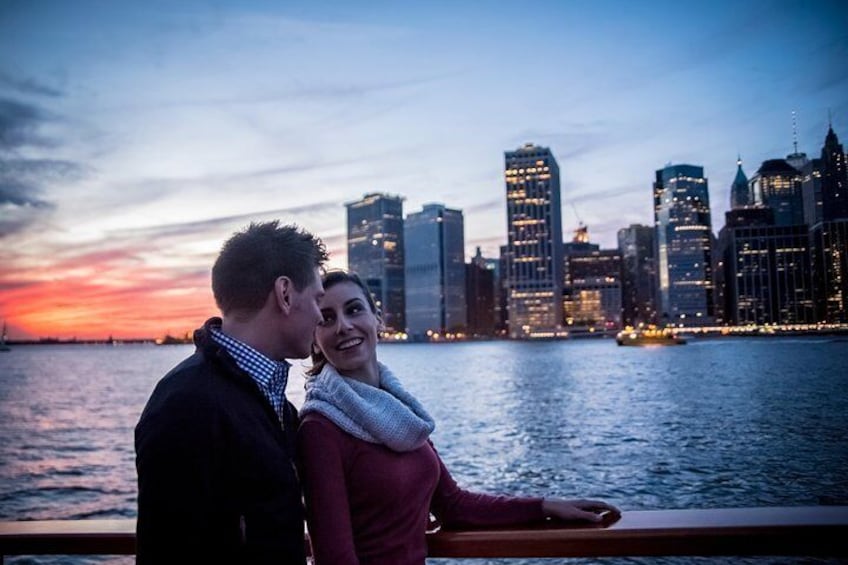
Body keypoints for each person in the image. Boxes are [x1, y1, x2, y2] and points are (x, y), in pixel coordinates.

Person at [296, 270, 619, 565]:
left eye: (354, 310)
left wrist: (546, 506)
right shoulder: (320, 428)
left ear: (377, 319)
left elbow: (453, 505)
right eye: (326, 318)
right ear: (315, 339)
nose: (343, 326)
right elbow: (335, 559)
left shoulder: (400, 411)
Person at [135, 221, 328, 565]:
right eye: (317, 299)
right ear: (285, 294)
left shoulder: (271, 403)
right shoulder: (187, 405)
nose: (319, 316)